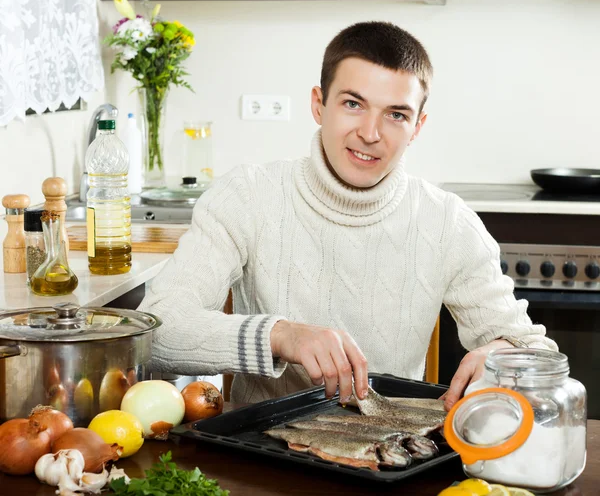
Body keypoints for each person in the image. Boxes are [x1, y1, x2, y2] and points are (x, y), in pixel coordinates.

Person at [138, 21, 557, 411]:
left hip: (389, 457)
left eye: (396, 114)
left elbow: (537, 352)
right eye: (354, 104)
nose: (371, 134)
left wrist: (504, 354)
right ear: (319, 105)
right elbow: (155, 333)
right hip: (261, 457)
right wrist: (281, 335)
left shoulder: (448, 222)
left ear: (418, 126)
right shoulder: (249, 196)